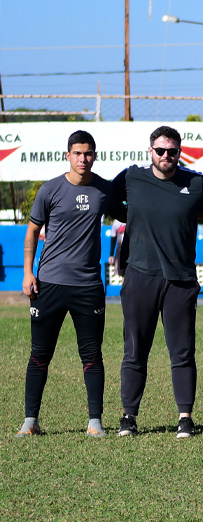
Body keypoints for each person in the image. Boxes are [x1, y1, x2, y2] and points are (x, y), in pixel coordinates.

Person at [111, 125, 203, 438]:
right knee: (134, 351)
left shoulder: (196, 183)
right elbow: (109, 204)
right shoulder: (131, 178)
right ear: (151, 152)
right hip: (139, 277)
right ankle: (128, 417)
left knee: (182, 352)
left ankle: (185, 418)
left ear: (179, 152)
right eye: (160, 150)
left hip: (181, 281)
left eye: (172, 151)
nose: (166, 156)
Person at [19, 130, 112, 437]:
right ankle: (30, 422)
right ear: (68, 155)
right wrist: (28, 272)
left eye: (88, 153)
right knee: (39, 354)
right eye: (77, 153)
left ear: (94, 156)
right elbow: (32, 233)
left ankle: (95, 422)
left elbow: (133, 211)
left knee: (92, 354)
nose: (83, 159)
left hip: (88, 287)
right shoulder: (50, 189)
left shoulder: (103, 190)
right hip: (49, 285)